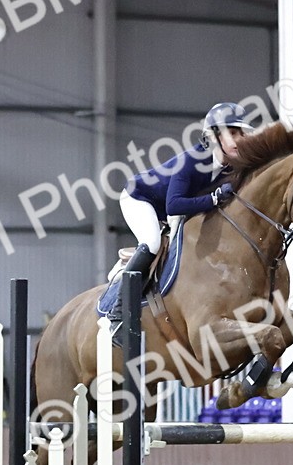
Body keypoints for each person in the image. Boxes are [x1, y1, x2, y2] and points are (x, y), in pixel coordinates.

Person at [108, 102, 255, 322]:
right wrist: (214, 198)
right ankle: (119, 309)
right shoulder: (191, 161)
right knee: (152, 243)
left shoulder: (230, 167)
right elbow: (174, 206)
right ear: (215, 137)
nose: (240, 139)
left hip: (167, 209)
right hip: (139, 197)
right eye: (232, 132)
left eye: (242, 133)